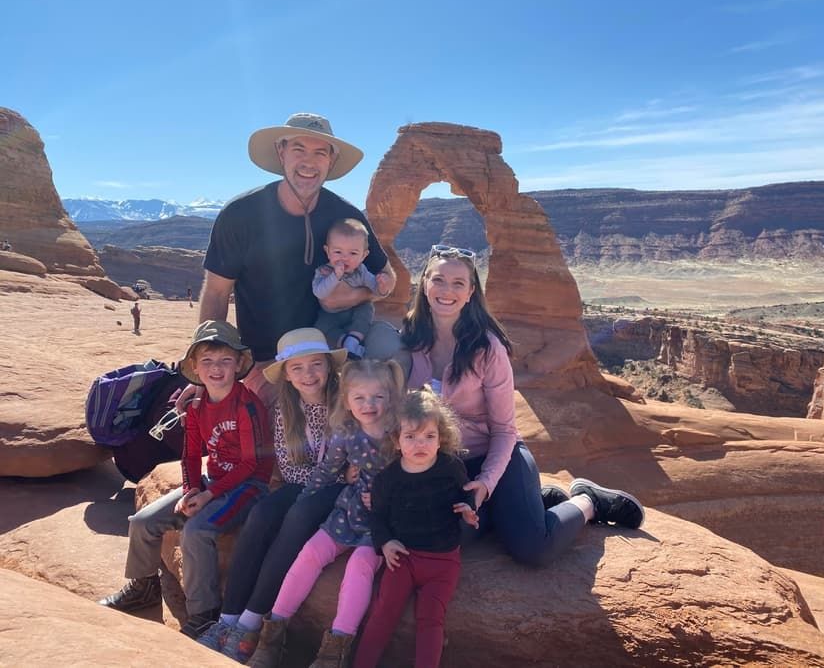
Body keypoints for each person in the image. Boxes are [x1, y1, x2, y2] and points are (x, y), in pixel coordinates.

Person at [399, 245, 645, 568]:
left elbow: (504, 431)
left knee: (532, 548)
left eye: (458, 283)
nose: (447, 291)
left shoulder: (487, 348)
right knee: (447, 537)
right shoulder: (408, 339)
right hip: (446, 466)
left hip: (498, 456)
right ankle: (535, 502)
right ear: (424, 283)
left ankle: (589, 501)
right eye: (439, 280)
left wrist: (486, 483)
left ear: (471, 292)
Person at [198, 112, 400, 408]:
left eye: (320, 152)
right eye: (299, 149)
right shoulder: (241, 215)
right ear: (281, 152)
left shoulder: (346, 217)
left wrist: (354, 296)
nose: (309, 162)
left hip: (331, 357)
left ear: (331, 160)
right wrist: (205, 372)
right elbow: (216, 293)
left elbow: (387, 277)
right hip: (267, 363)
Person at [98, 320, 273, 638]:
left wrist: (207, 495)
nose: (216, 368)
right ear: (195, 365)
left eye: (225, 360)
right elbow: (191, 455)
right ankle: (144, 587)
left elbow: (251, 464)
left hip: (249, 486)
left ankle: (204, 613)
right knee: (143, 522)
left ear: (238, 364)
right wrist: (192, 489)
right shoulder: (196, 405)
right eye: (207, 360)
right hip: (212, 480)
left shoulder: (247, 406)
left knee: (197, 530)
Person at [196, 328, 347, 658]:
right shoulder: (284, 409)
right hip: (303, 483)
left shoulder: (345, 402)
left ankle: (249, 625)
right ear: (287, 375)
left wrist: (321, 480)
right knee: (262, 513)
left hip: (338, 489)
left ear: (328, 366)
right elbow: (289, 467)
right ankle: (227, 620)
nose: (308, 374)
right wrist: (316, 479)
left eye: (316, 364)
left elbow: (349, 465)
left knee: (299, 515)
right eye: (297, 367)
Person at [246, 359, 406, 668]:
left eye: (378, 397)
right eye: (359, 397)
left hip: (383, 522)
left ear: (391, 397)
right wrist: (304, 500)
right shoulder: (346, 433)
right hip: (349, 511)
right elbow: (326, 471)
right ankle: (272, 635)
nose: (369, 405)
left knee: (359, 566)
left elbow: (417, 475)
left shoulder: (399, 434)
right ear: (346, 400)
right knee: (310, 554)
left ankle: (334, 651)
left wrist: (390, 500)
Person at [354, 389, 478, 668]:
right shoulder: (387, 479)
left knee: (431, 619)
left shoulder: (451, 467)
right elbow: (377, 516)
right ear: (396, 440)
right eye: (410, 436)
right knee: (384, 612)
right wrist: (385, 543)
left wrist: (469, 510)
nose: (420, 444)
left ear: (440, 438)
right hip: (403, 557)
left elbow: (465, 494)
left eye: (429, 436)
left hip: (443, 561)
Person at [313, 218, 393, 358]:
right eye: (338, 252)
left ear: (363, 255)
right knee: (321, 327)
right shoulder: (323, 271)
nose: (344, 258)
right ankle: (345, 341)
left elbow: (375, 289)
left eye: (353, 253)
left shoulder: (361, 271)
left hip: (355, 309)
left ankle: (354, 338)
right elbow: (319, 293)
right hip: (331, 314)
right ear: (327, 251)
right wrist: (335, 276)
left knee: (366, 309)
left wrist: (382, 286)